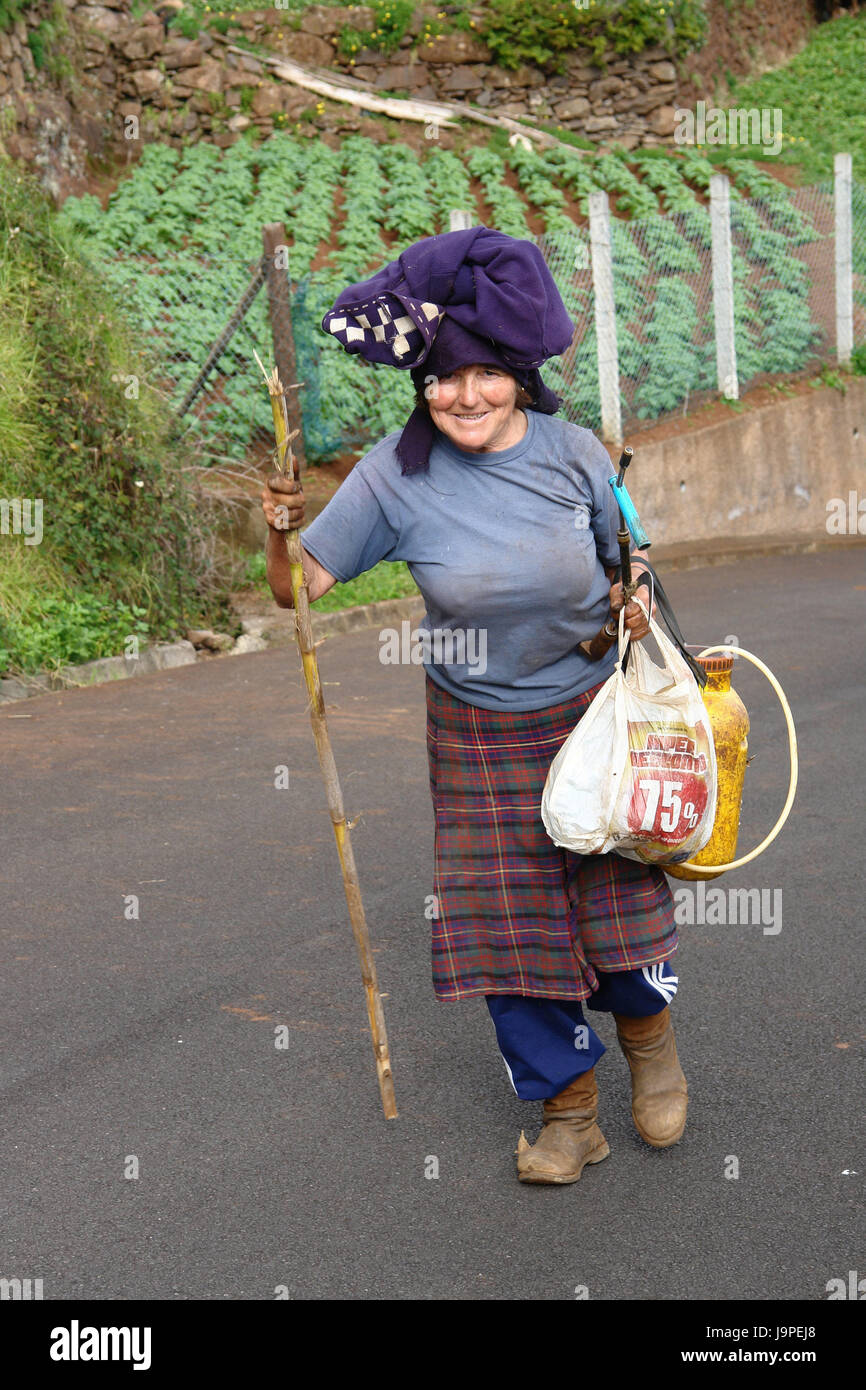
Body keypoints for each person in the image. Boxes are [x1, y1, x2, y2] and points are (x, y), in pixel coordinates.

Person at [261, 228, 687, 1185]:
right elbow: (302, 588)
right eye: (444, 378)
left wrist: (637, 593)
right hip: (480, 730)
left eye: (485, 375)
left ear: (518, 376)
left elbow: (635, 551)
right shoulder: (393, 474)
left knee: (617, 900)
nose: (463, 396)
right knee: (511, 921)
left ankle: (651, 1048)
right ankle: (568, 1112)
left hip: (593, 713)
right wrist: (281, 538)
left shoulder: (575, 454)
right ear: (422, 383)